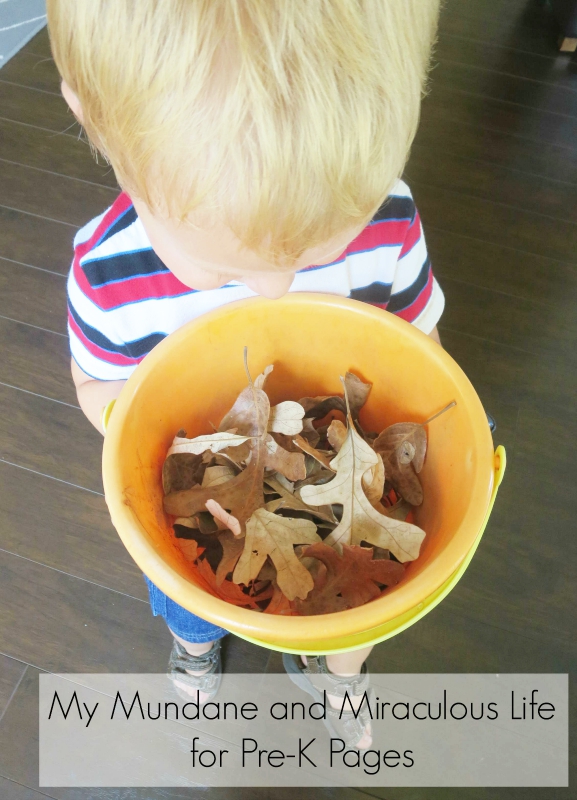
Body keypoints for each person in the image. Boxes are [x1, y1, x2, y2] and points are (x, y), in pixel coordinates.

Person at [47, 0, 443, 750]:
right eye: (225, 268)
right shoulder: (110, 277)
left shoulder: (387, 222)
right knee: (195, 594)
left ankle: (336, 671)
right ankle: (197, 645)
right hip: (207, 513)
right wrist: (183, 440)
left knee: (345, 611)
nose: (274, 292)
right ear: (92, 121)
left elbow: (421, 341)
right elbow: (95, 385)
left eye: (321, 249)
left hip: (331, 498)